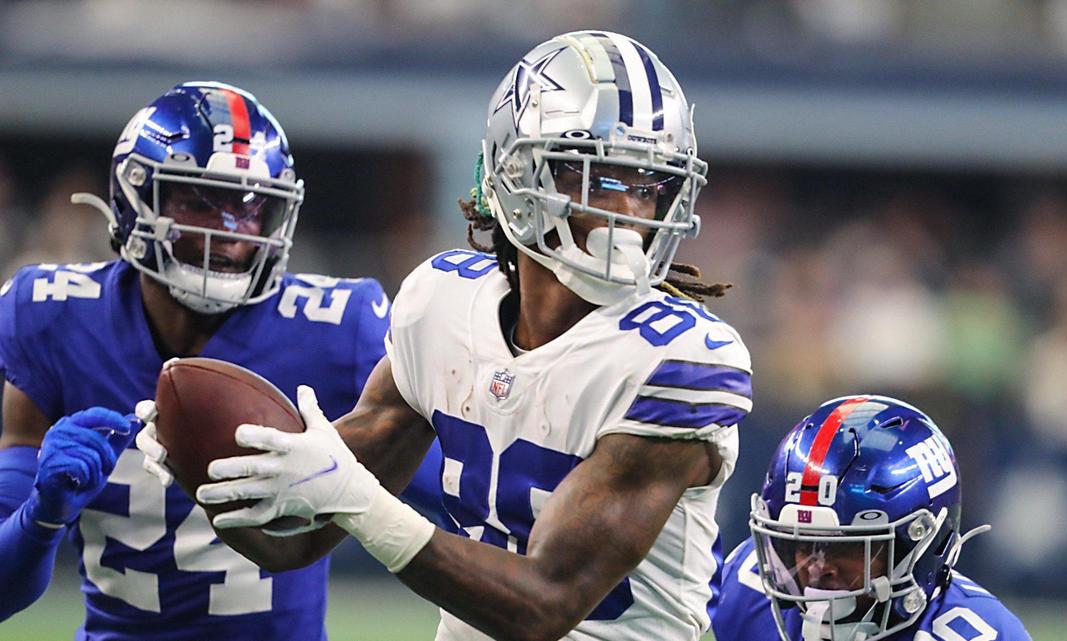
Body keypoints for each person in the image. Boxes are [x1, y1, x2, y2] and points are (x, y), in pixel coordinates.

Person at [138, 31, 753, 640]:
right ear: (514, 170)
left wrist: (361, 502)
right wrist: (218, 473)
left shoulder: (681, 358)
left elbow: (544, 605)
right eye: (595, 176)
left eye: (647, 185)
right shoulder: (444, 301)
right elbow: (293, 543)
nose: (632, 211)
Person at [0, 81, 442, 639]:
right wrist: (42, 514)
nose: (230, 235)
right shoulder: (54, 317)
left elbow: (459, 502)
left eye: (251, 207)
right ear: (138, 202)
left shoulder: (339, 328)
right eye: (200, 203)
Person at [712, 395, 1031, 641]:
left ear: (921, 546)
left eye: (845, 549)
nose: (818, 568)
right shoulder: (748, 593)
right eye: (802, 543)